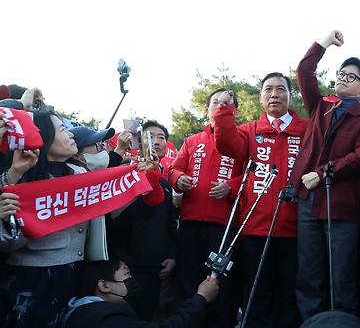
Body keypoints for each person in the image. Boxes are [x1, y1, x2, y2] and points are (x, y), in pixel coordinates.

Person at [292, 30, 360, 319]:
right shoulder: (322, 107)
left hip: (340, 206)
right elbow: (304, 70)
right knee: (308, 275)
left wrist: (323, 172)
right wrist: (325, 42)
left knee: (341, 277)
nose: (342, 78)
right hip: (307, 201)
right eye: (341, 73)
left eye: (351, 76)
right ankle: (311, 323)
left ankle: (343, 323)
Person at [213, 72, 308, 327]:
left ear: (290, 95)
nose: (274, 94)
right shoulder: (249, 130)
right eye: (268, 89)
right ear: (260, 97)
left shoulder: (307, 130)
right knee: (257, 294)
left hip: (297, 230)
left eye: (280, 89)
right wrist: (224, 111)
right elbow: (226, 144)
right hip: (255, 229)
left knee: (291, 294)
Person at [0, 111, 105, 328]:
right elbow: (9, 243)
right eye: (63, 130)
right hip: (31, 279)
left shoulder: (80, 174)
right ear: (45, 137)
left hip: (73, 272)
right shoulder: (19, 179)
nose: (71, 135)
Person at [166, 89, 243, 327]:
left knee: (220, 285)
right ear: (206, 110)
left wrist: (230, 186)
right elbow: (172, 169)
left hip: (223, 226)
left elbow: (251, 176)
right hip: (189, 223)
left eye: (225, 103)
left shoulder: (241, 139)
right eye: (215, 103)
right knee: (188, 281)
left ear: (234, 111)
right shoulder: (192, 141)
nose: (220, 107)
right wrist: (178, 178)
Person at [108, 120, 177, 320]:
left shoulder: (165, 183)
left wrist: (172, 255)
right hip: (124, 270)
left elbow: (169, 223)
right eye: (150, 136)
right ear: (139, 142)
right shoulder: (123, 177)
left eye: (161, 137)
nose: (156, 142)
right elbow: (114, 221)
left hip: (155, 270)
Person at [61, 260, 218, 328]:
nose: (132, 281)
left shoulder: (83, 312)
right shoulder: (106, 321)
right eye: (127, 274)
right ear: (104, 285)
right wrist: (201, 298)